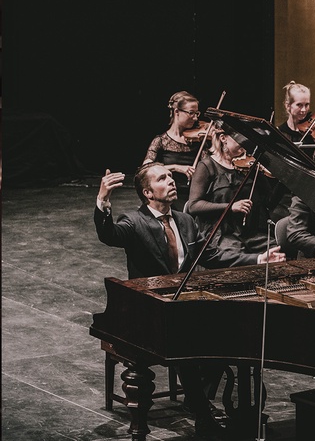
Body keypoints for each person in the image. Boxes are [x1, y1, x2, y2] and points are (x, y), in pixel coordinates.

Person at [93, 163, 284, 438]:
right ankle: (202, 413)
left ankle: (199, 401)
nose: (171, 181)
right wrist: (103, 200)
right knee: (184, 341)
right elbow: (108, 235)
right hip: (148, 310)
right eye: (162, 178)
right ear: (147, 192)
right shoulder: (134, 222)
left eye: (171, 176)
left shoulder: (185, 220)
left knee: (229, 340)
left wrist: (257, 259)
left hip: (183, 305)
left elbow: (212, 255)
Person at [186, 129, 268, 260]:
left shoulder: (247, 165)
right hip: (219, 232)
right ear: (223, 138)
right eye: (240, 138)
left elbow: (268, 200)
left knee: (273, 250)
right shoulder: (207, 166)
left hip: (249, 232)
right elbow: (194, 205)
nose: (245, 142)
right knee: (240, 256)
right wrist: (230, 207)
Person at [144, 91, 206, 207]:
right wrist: (175, 167)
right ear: (177, 112)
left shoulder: (201, 140)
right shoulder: (161, 141)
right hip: (170, 197)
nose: (196, 118)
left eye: (197, 113)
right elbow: (145, 170)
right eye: (191, 113)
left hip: (196, 195)